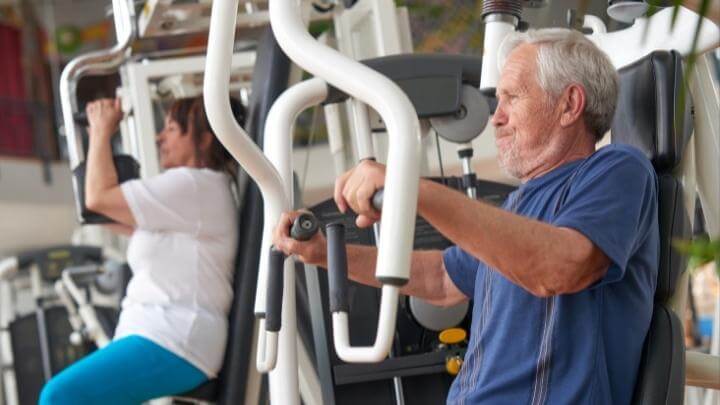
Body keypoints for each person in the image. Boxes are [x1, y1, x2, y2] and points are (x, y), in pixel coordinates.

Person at [273, 28, 659, 404]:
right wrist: (325, 255)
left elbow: (558, 267)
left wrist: (411, 187)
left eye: (512, 98)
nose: (496, 118)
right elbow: (441, 278)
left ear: (570, 104)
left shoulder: (617, 168)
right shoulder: (520, 205)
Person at [40, 96, 244, 404]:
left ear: (205, 138)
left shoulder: (193, 184)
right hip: (163, 335)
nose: (160, 137)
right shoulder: (193, 194)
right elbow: (100, 211)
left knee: (60, 396)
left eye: (172, 129)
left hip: (175, 338)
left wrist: (101, 129)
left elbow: (98, 199)